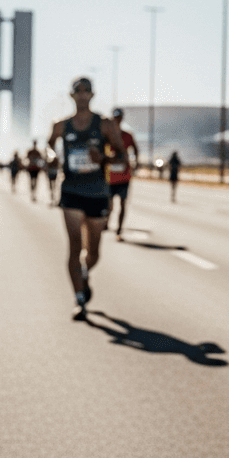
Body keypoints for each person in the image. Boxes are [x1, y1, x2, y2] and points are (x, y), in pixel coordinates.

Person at [48, 77, 127, 320]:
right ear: (71, 96)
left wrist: (103, 159)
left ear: (92, 95)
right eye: (77, 91)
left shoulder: (104, 125)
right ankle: (79, 301)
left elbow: (122, 158)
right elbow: (50, 146)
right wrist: (52, 156)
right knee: (74, 248)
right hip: (71, 190)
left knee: (93, 253)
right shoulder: (61, 126)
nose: (82, 95)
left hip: (97, 193)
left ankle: (84, 274)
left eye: (86, 91)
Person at [105, 107, 139, 239]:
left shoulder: (127, 135)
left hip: (124, 176)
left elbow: (135, 149)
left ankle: (119, 230)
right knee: (109, 204)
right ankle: (106, 223)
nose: (117, 120)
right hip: (109, 177)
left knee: (123, 203)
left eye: (119, 118)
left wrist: (135, 163)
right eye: (115, 118)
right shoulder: (107, 136)